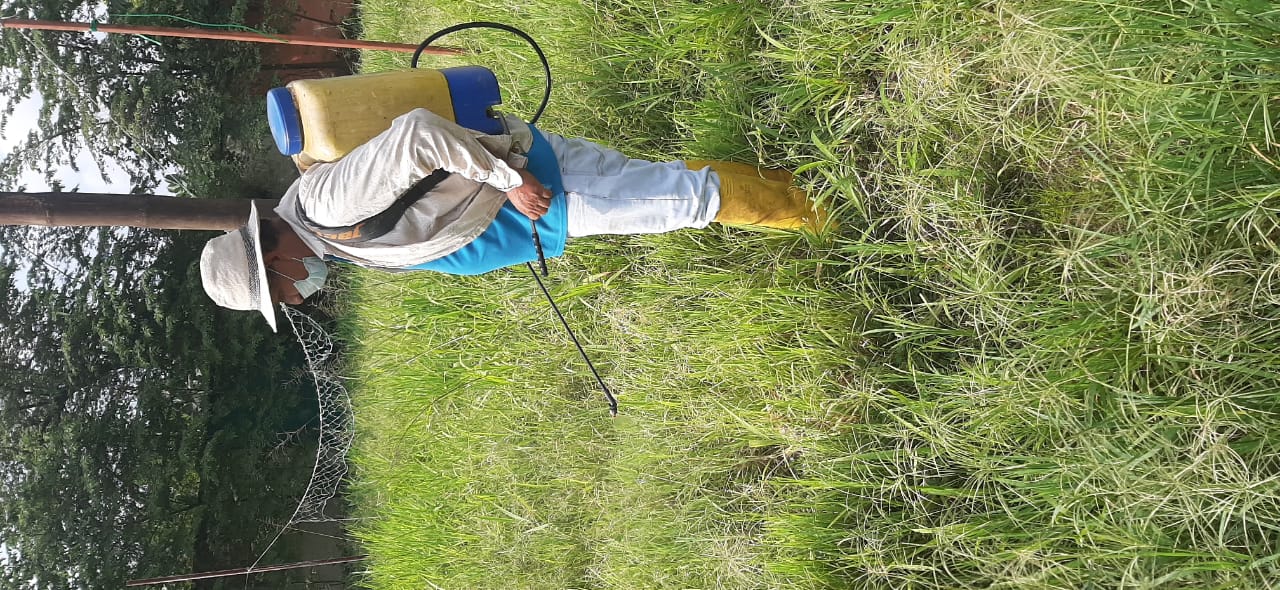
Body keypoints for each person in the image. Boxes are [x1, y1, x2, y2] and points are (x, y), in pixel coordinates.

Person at [199, 108, 829, 331]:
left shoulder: (324, 208)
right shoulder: (323, 235)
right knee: (669, 185)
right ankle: (802, 187)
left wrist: (511, 182)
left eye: (281, 293)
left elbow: (417, 135)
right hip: (538, 202)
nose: (295, 298)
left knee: (685, 200)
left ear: (274, 260)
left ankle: (825, 216)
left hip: (545, 193)